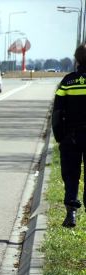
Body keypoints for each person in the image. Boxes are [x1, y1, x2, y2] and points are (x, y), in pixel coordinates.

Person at [52, 43, 86, 228]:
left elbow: (57, 113)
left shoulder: (67, 81)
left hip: (71, 138)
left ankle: (71, 214)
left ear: (77, 59)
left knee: (71, 175)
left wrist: (60, 137)